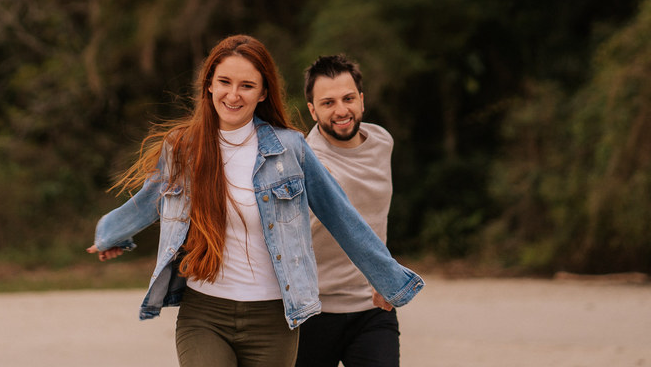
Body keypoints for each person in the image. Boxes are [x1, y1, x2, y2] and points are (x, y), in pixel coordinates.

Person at [88, 35, 423, 367]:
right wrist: (110, 234)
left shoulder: (290, 149)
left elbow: (342, 218)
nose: (233, 95)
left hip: (274, 319)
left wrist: (388, 279)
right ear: (209, 85)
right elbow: (149, 201)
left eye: (246, 85)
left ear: (263, 92)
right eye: (224, 82)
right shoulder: (183, 148)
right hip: (205, 314)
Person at [296, 54, 401, 367]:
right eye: (328, 103)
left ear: (362, 100)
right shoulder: (303, 161)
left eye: (348, 98)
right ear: (312, 110)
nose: (341, 111)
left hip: (373, 307)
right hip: (312, 312)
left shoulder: (382, 141)